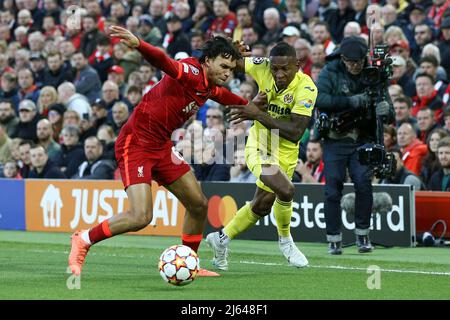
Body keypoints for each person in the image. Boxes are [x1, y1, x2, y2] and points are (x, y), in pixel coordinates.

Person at [68, 26, 251, 277]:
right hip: (136, 143)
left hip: (162, 145)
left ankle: (190, 262)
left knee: (198, 204)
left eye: (231, 69)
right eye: (224, 66)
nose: (228, 73)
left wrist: (253, 108)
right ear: (208, 61)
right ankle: (83, 239)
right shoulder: (190, 71)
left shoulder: (209, 85)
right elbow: (164, 61)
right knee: (140, 216)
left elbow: (227, 97)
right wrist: (140, 44)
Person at [206, 41, 317, 270]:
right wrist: (232, 51)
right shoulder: (262, 66)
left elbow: (296, 133)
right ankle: (286, 242)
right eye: (274, 68)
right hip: (259, 147)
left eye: (284, 68)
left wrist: (256, 113)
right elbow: (232, 63)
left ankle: (220, 240)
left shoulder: (307, 88)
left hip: (286, 151)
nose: (278, 74)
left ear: (297, 65)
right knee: (286, 190)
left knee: (261, 206)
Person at [315, 36, 394, 255]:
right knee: (333, 188)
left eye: (359, 61)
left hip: (363, 138)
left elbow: (390, 113)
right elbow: (318, 98)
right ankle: (334, 238)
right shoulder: (330, 71)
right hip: (335, 138)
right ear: (342, 58)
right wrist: (350, 101)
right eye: (350, 62)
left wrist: (385, 110)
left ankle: (363, 235)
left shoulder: (374, 73)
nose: (355, 66)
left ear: (364, 58)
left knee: (363, 183)